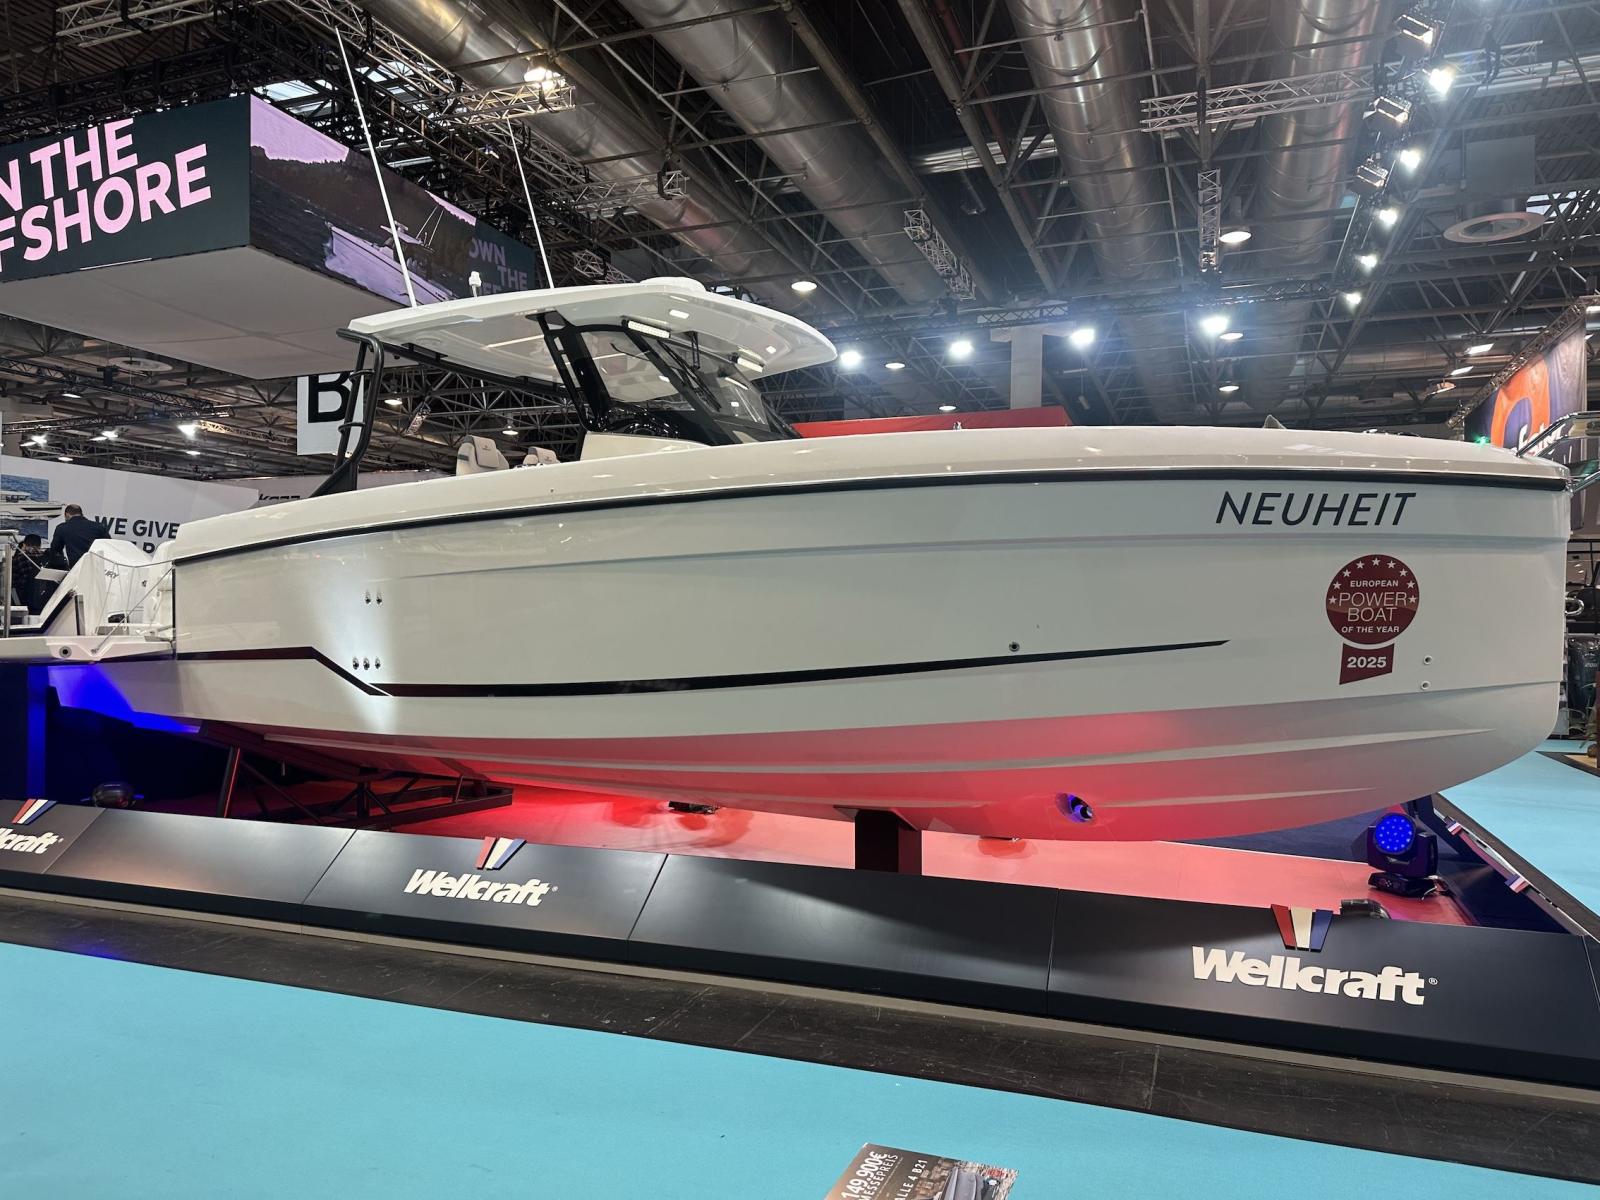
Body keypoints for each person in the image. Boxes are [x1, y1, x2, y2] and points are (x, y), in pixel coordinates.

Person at [48, 503, 110, 568]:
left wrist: (61, 565)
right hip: (98, 568)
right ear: (81, 514)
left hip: (76, 569)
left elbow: (55, 551)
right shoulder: (99, 526)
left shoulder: (62, 528)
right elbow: (109, 546)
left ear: (67, 515)